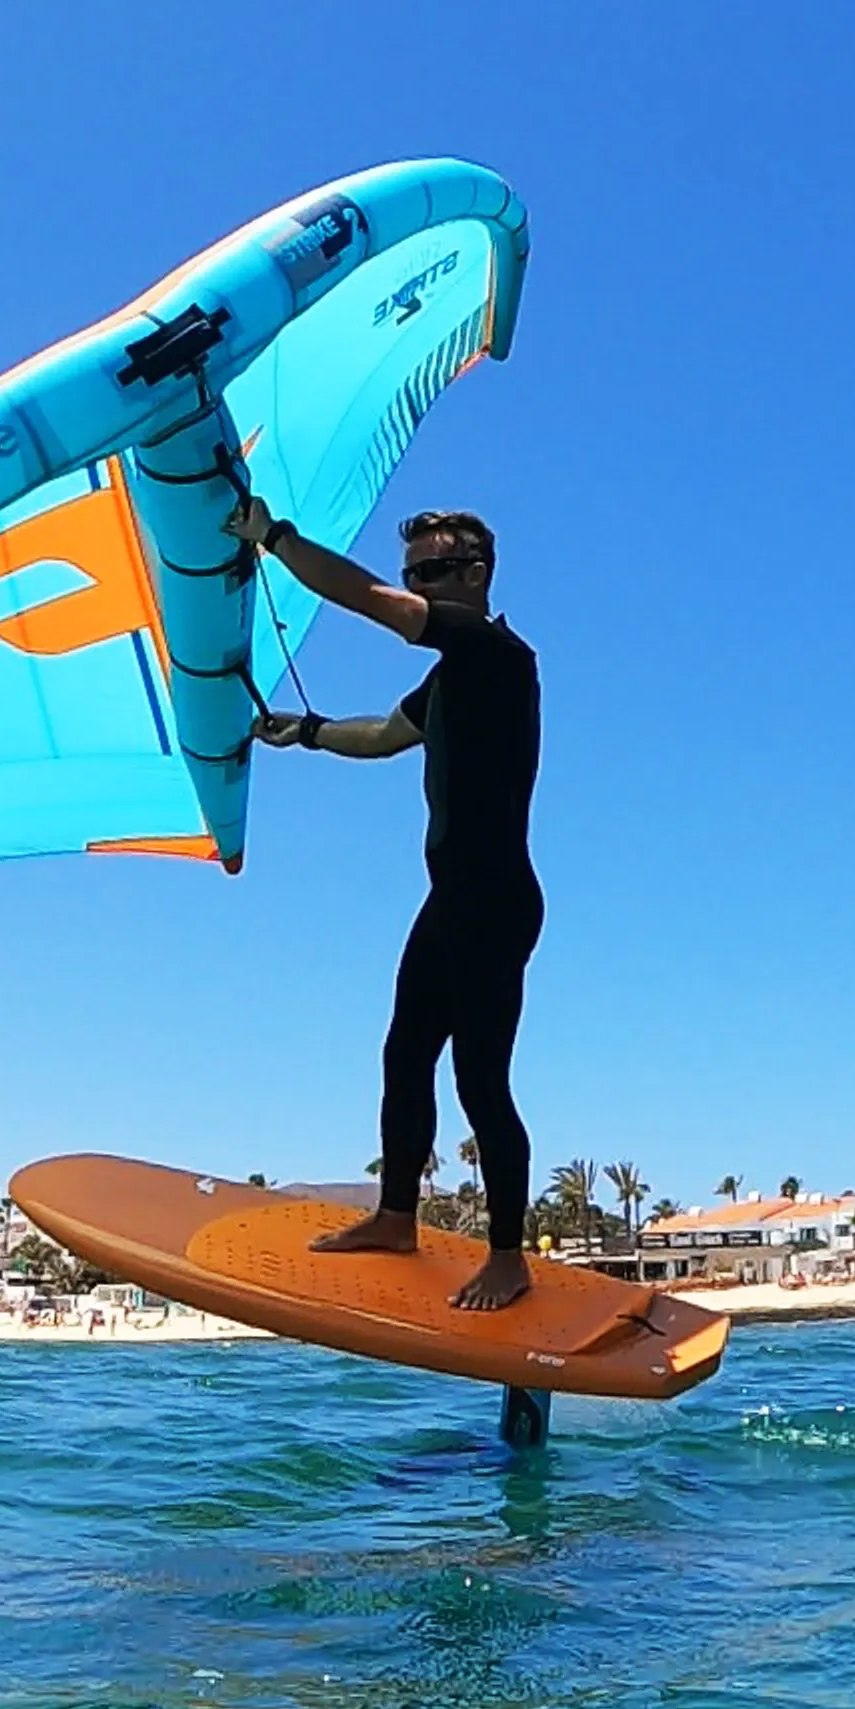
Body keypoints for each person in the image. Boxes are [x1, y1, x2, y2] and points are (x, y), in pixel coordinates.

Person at [224, 497, 542, 1311]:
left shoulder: (497, 652)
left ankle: (509, 1257)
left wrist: (274, 538)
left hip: (497, 900)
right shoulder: (451, 676)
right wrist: (309, 731)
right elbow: (381, 739)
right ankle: (397, 1215)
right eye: (413, 575)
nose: (418, 587)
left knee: (481, 1083)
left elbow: (370, 601)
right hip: (452, 899)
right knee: (405, 1056)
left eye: (432, 574)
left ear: (474, 576)